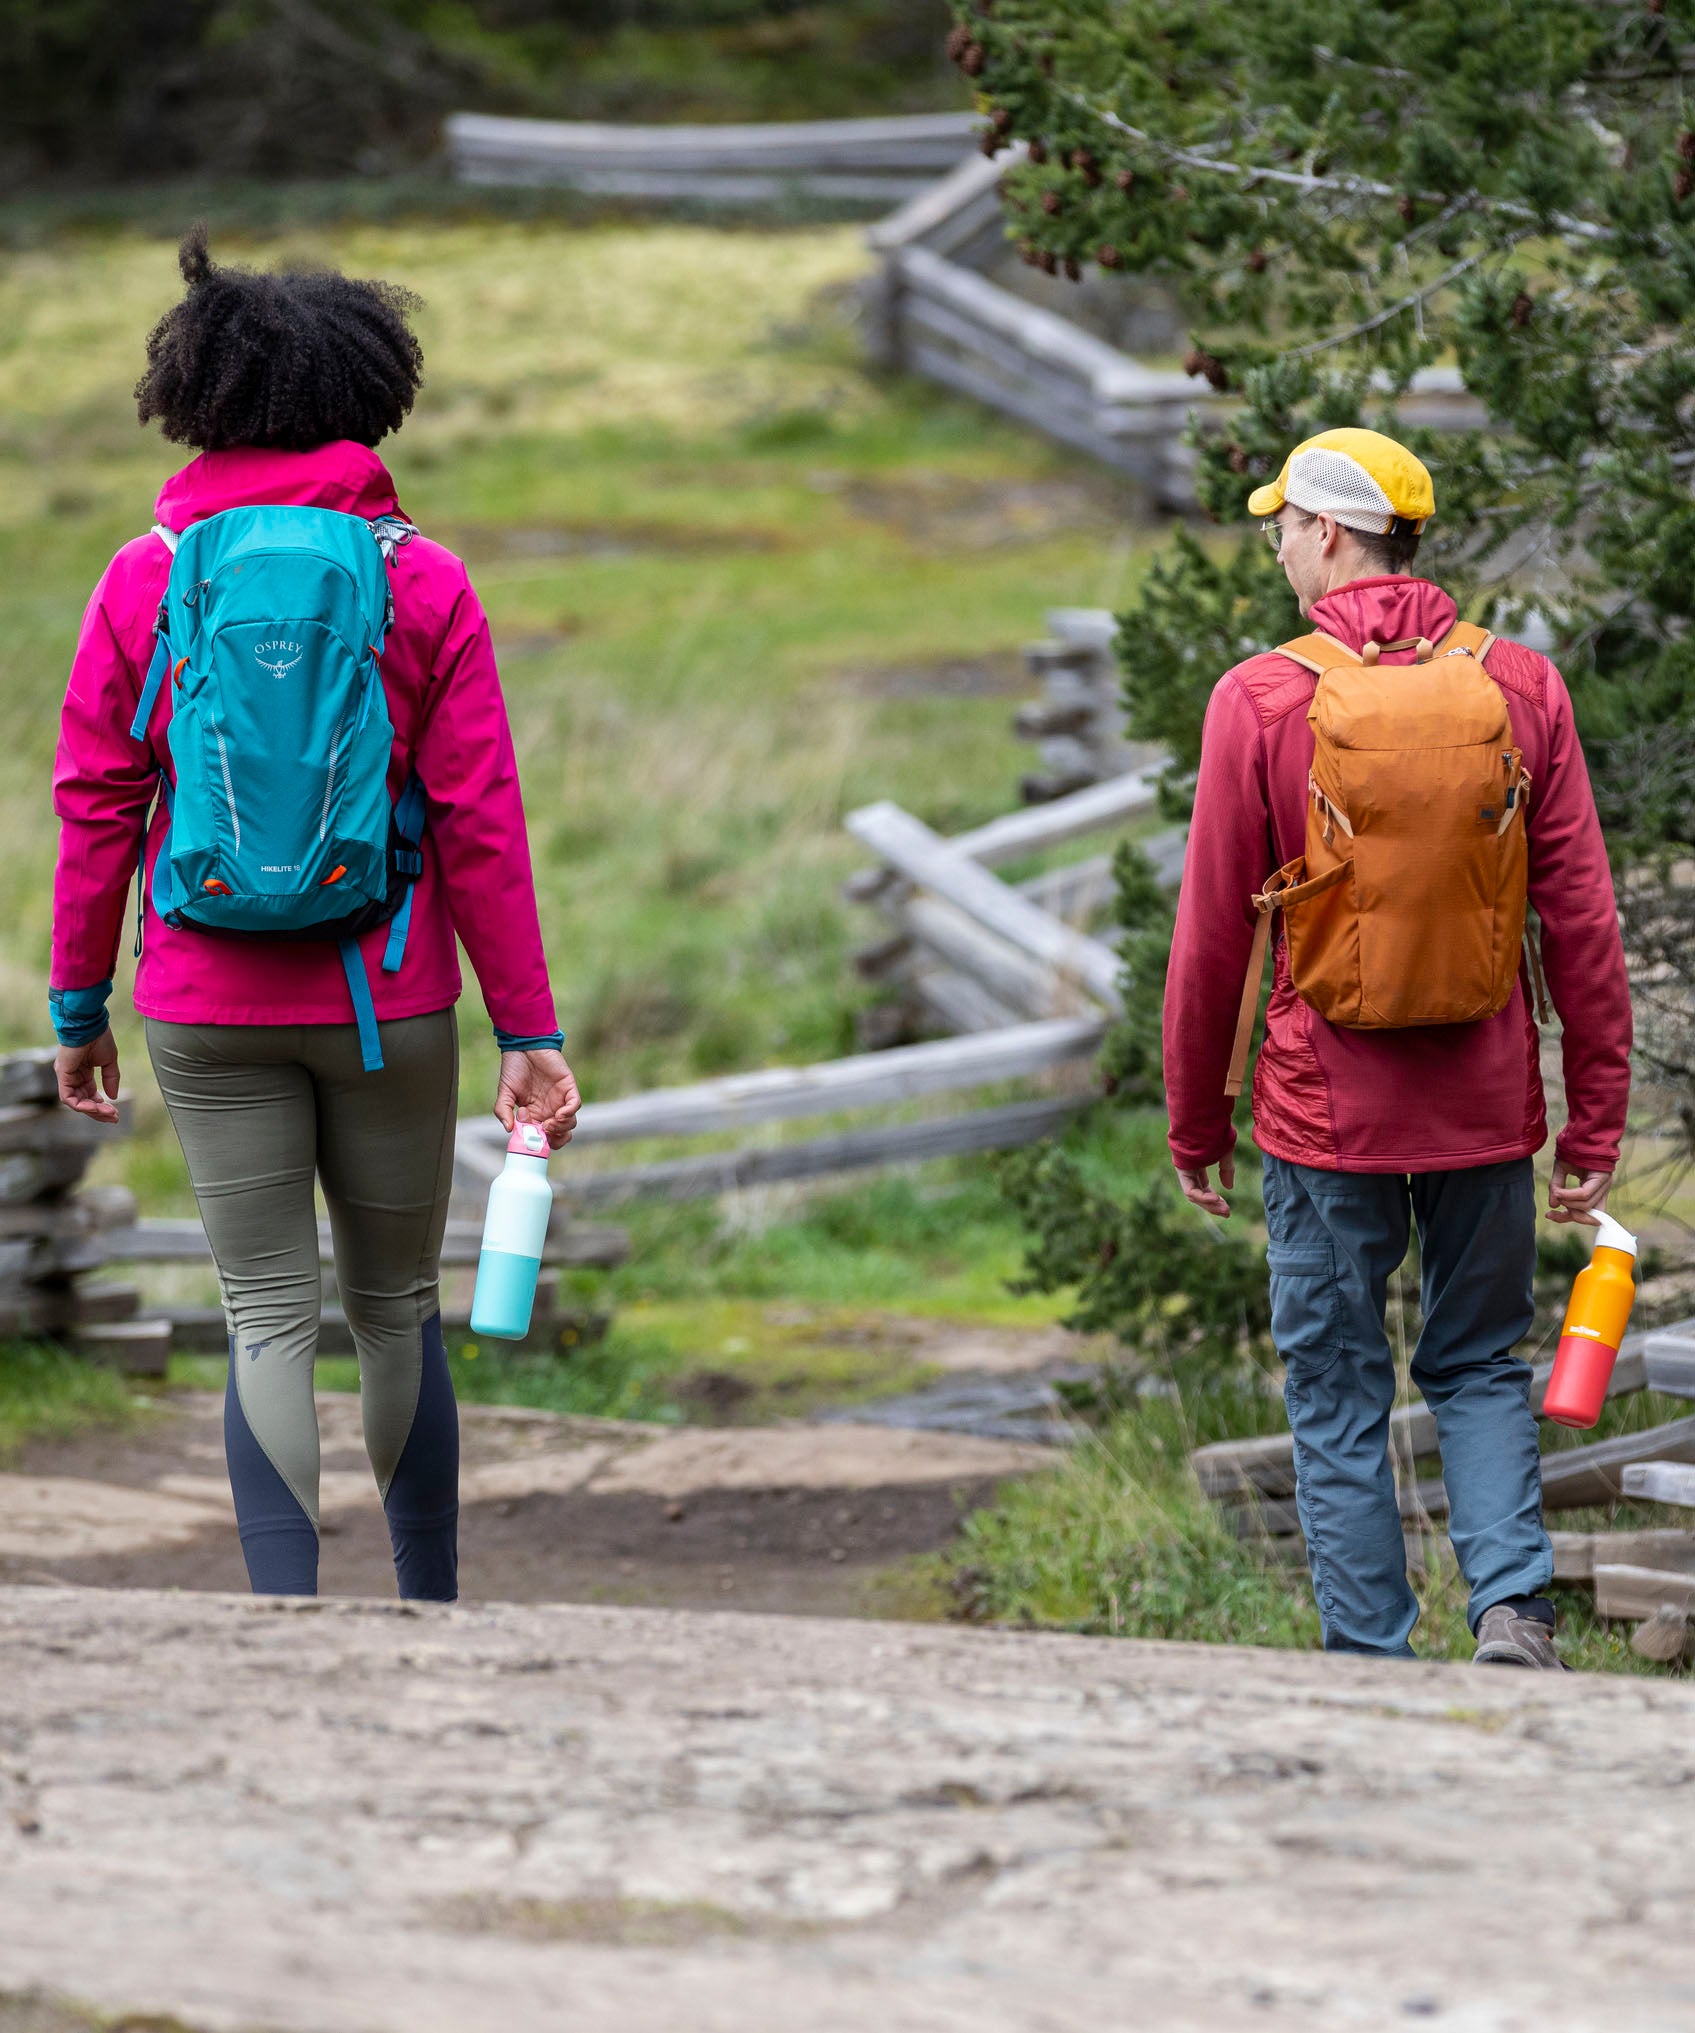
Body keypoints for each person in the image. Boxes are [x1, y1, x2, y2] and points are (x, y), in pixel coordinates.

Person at [49, 229, 580, 1603]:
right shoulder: (423, 580)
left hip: (202, 1005)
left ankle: (284, 1622)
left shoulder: (142, 578)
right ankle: (425, 1606)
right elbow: (480, 821)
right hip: (388, 1002)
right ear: (368, 394)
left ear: (196, 401)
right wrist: (527, 1025)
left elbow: (96, 799)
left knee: (265, 1314)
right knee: (394, 1309)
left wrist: (76, 1005)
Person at [1162, 427, 1631, 1667]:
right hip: (1483, 1104)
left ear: (1326, 533)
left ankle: (1372, 1658)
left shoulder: (1262, 697)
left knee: (1335, 1389)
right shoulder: (1520, 687)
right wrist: (1595, 1122)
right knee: (1479, 1359)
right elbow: (1580, 917)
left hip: (1324, 1117)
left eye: (1282, 528)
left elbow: (1213, 935)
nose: (1277, 548)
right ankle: (1513, 1609)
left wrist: (1194, 1123)